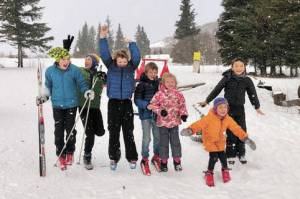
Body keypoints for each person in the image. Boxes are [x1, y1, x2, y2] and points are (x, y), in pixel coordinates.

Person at [36, 47, 94, 170]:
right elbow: (48, 87)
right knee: (58, 131)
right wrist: (44, 97)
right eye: (63, 59)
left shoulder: (75, 70)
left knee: (71, 130)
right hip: (57, 106)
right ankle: (61, 155)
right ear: (57, 59)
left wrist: (86, 92)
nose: (66, 61)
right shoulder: (50, 71)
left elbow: (82, 84)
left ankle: (70, 152)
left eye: (68, 59)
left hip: (71, 105)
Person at [199, 58, 264, 164]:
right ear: (232, 67)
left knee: (242, 130)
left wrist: (257, 107)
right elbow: (217, 89)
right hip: (227, 109)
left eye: (241, 66)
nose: (239, 68)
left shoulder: (247, 80)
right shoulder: (227, 78)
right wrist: (207, 100)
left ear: (244, 67)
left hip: (240, 109)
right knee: (230, 131)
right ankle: (230, 154)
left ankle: (241, 153)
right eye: (236, 66)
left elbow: (252, 94)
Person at [181, 97, 256, 187]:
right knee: (214, 156)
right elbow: (199, 124)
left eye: (225, 107)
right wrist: (190, 130)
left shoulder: (227, 119)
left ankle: (225, 170)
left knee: (223, 156)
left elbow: (236, 128)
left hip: (220, 139)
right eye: (220, 107)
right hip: (209, 140)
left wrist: (245, 138)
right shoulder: (209, 118)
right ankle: (209, 173)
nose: (223, 110)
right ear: (215, 109)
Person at [99, 25, 140, 170]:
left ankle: (132, 157)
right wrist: (103, 38)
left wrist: (132, 43)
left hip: (127, 103)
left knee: (128, 131)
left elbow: (137, 57)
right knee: (114, 131)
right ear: (116, 60)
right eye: (120, 61)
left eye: (124, 61)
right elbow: (104, 53)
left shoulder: (131, 67)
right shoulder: (111, 66)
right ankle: (114, 158)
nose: (122, 63)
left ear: (127, 61)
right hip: (113, 103)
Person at [149, 73, 188, 172]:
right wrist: (160, 111)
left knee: (175, 142)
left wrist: (183, 114)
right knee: (163, 143)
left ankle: (177, 161)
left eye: (172, 82)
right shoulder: (159, 94)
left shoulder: (179, 94)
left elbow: (182, 105)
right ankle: (164, 162)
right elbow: (152, 105)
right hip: (163, 123)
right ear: (163, 83)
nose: (170, 83)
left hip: (174, 122)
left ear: (175, 83)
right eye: (168, 82)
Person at [77, 54, 106, 170]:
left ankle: (90, 144)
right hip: (83, 106)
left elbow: (105, 83)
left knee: (100, 132)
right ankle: (87, 156)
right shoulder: (80, 71)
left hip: (95, 107)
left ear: (94, 62)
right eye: (85, 59)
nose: (86, 61)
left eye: (89, 60)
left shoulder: (99, 74)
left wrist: (103, 77)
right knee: (89, 132)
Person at [134, 62, 160, 175]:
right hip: (145, 115)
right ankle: (144, 159)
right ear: (146, 72)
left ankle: (156, 156)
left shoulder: (159, 84)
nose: (153, 74)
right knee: (147, 138)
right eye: (151, 72)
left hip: (157, 115)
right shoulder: (141, 85)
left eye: (155, 72)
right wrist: (146, 105)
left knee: (158, 137)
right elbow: (137, 100)